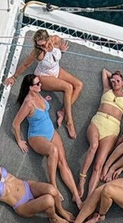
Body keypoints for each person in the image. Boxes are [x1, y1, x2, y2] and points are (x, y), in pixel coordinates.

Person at [0, 134, 75, 223]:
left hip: (27, 186)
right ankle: (54, 218)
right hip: (21, 205)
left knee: (52, 190)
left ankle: (61, 210)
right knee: (49, 200)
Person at [12, 75, 84, 208]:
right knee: (53, 151)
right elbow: (15, 124)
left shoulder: (39, 95)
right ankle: (53, 186)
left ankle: (76, 197)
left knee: (63, 163)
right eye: (37, 84)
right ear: (30, 88)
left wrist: (45, 100)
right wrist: (19, 140)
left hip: (50, 131)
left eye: (40, 83)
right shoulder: (28, 103)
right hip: (37, 136)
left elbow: (42, 107)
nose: (41, 85)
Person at [5, 29, 84, 138]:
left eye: (43, 45)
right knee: (68, 87)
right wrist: (14, 77)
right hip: (44, 76)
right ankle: (69, 122)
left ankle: (62, 111)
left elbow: (55, 55)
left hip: (56, 70)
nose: (41, 47)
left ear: (48, 39)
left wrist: (61, 50)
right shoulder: (38, 52)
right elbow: (25, 65)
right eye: (38, 45)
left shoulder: (56, 40)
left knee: (79, 85)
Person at [77, 69, 123, 198]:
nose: (114, 82)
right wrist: (113, 77)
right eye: (113, 81)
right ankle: (82, 179)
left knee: (98, 165)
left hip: (112, 130)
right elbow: (104, 71)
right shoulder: (107, 89)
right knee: (94, 146)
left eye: (118, 81)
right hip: (98, 122)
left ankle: (90, 197)